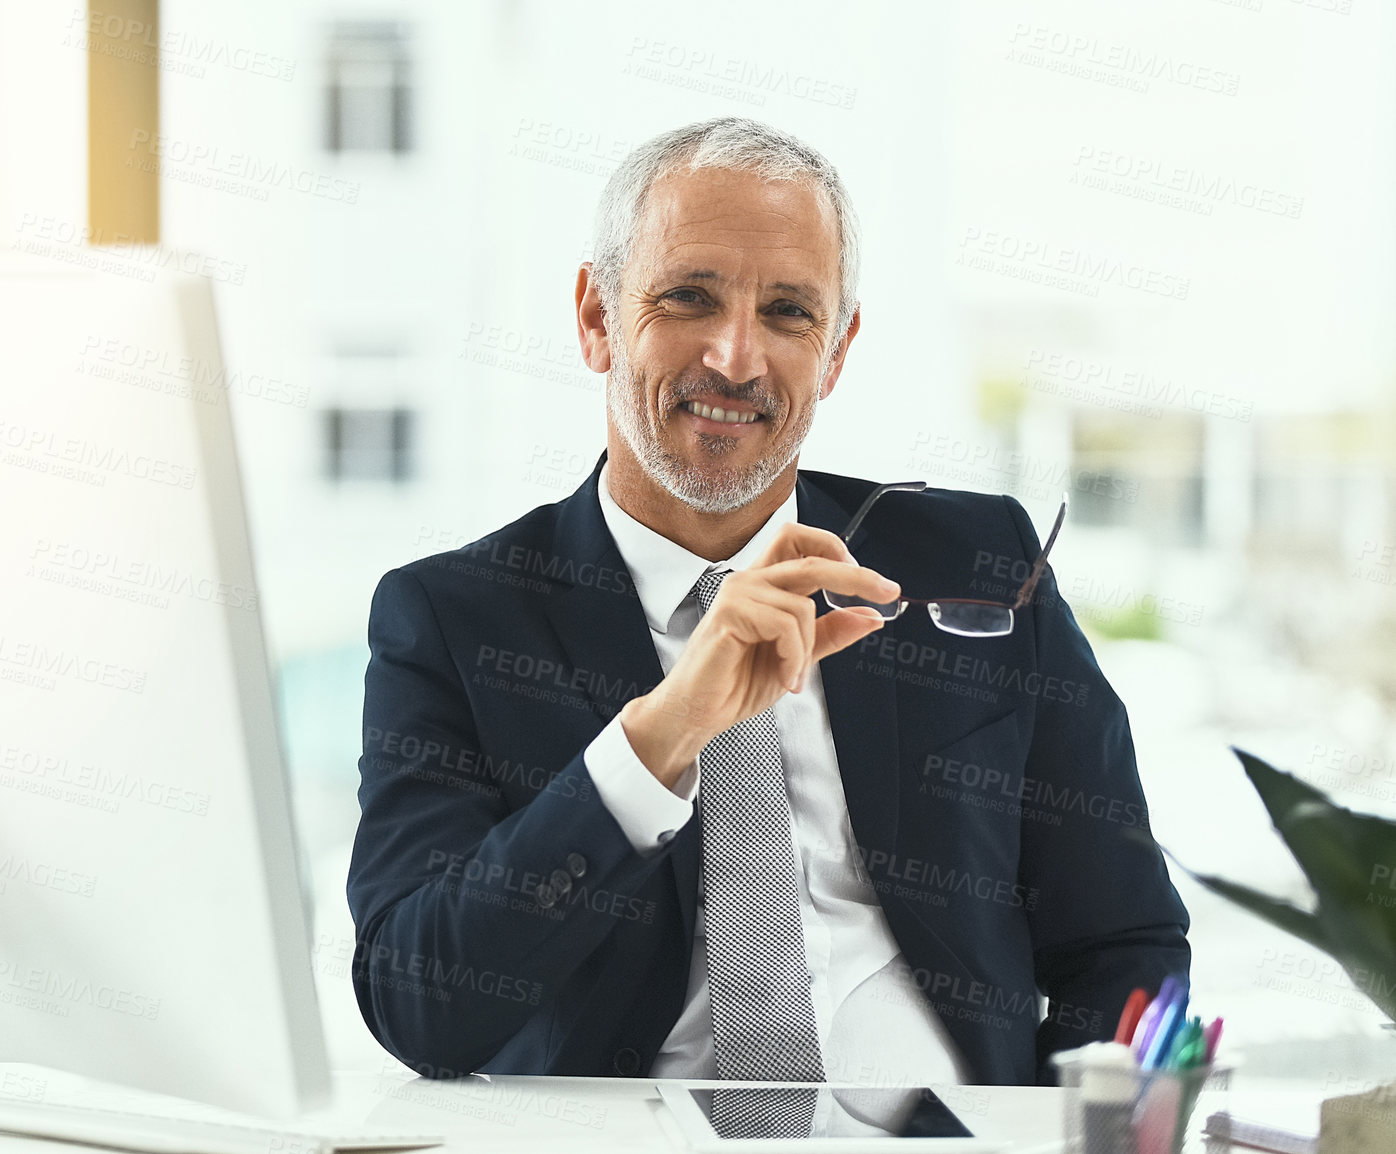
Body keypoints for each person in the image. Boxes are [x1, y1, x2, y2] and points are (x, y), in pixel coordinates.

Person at [346, 116, 1188, 1087]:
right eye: (688, 297)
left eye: (789, 311)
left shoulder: (976, 565)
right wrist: (658, 736)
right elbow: (418, 1005)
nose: (736, 357)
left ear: (835, 350)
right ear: (595, 318)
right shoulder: (452, 618)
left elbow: (1126, 935)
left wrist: (1067, 1125)